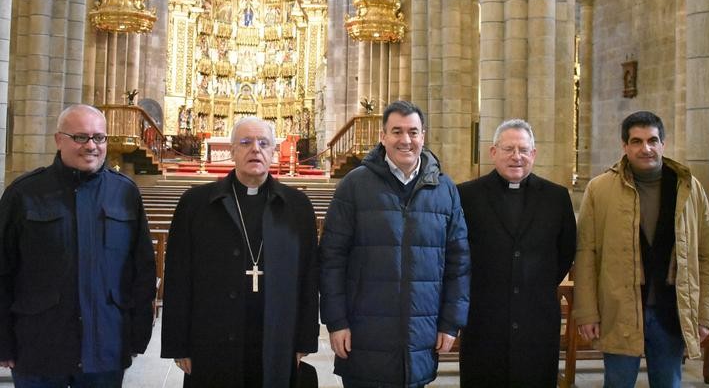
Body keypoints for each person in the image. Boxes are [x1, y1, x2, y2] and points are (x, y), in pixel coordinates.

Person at [0, 104, 156, 387]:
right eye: (81, 137)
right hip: (39, 344)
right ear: (59, 139)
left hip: (105, 343)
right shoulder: (24, 193)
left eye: (99, 138)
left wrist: (138, 334)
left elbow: (142, 271)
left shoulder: (125, 192)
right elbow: (3, 269)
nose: (92, 146)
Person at [319, 100, 470, 388]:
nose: (406, 140)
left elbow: (458, 261)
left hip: (420, 335)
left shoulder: (444, 189)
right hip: (364, 334)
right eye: (397, 131)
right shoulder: (354, 185)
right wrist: (336, 322)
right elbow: (331, 259)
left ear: (423, 136)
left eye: (413, 132)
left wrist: (450, 323)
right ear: (383, 136)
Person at [161, 117, 319, 388]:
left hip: (276, 336)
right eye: (245, 142)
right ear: (232, 151)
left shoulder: (297, 206)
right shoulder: (195, 204)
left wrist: (305, 340)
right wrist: (179, 343)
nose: (255, 149)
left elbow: (309, 277)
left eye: (263, 143)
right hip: (211, 335)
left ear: (273, 151)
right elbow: (178, 276)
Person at [573, 111, 709, 387]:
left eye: (652, 140)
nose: (646, 148)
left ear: (663, 143)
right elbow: (586, 254)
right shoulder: (600, 189)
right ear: (625, 146)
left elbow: (706, 255)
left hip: (671, 310)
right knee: (617, 383)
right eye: (637, 141)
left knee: (669, 382)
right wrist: (588, 312)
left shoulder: (689, 187)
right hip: (619, 310)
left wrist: (704, 314)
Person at [457, 119, 576, 387]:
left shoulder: (556, 197)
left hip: (537, 317)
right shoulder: (466, 196)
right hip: (484, 315)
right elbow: (457, 253)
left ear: (533, 154)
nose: (516, 156)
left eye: (523, 149)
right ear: (493, 152)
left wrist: (531, 281)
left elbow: (565, 250)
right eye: (508, 148)